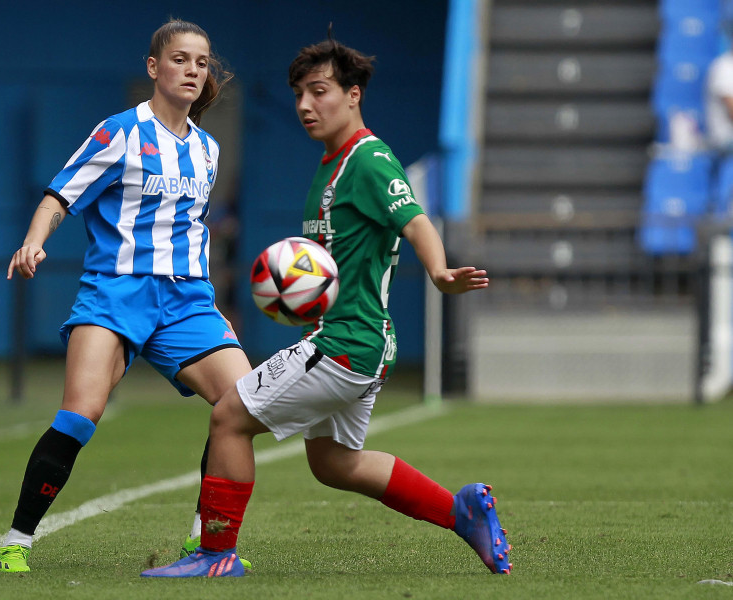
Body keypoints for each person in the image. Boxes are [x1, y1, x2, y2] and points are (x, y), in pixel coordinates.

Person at [142, 36, 510, 579]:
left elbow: (414, 219)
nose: (306, 106)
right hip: (358, 344)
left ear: (354, 95)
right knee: (334, 463)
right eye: (299, 95)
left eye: (320, 92)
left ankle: (216, 554)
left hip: (343, 344)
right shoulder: (331, 164)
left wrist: (437, 271)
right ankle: (463, 513)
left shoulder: (368, 158)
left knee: (228, 418)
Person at [0, 19, 253, 573]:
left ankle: (204, 541)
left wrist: (214, 300)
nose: (191, 70)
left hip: (188, 301)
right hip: (116, 294)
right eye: (180, 59)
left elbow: (194, 230)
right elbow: (60, 194)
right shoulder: (120, 133)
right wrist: (33, 243)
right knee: (80, 414)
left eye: (201, 62)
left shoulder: (208, 149)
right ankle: (17, 540)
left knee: (242, 405)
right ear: (154, 68)